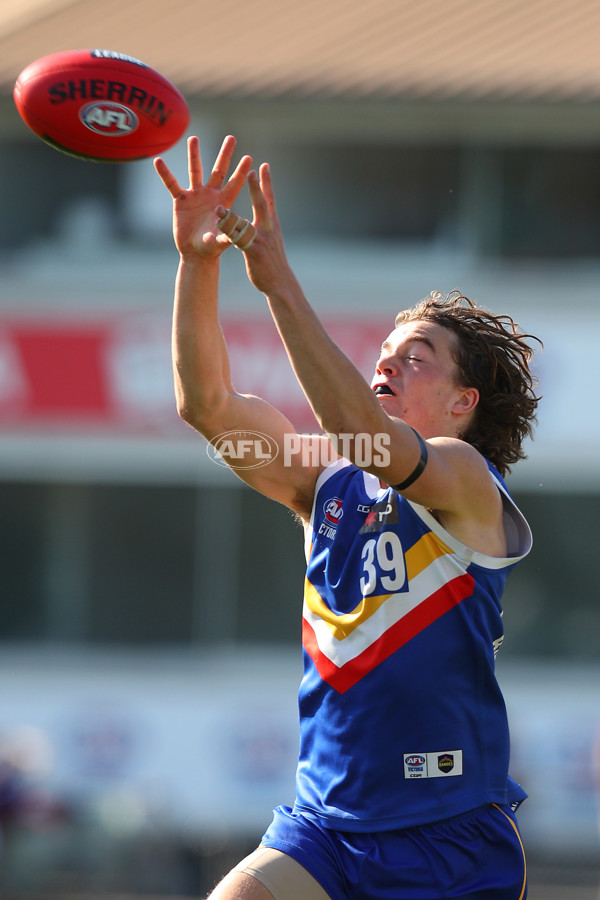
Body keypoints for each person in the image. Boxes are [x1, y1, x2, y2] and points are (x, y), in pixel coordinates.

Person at [154, 135, 541, 900]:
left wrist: (275, 279)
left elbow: (359, 423)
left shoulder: (466, 480)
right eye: (385, 352)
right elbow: (207, 407)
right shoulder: (322, 486)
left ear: (463, 404)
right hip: (323, 827)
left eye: (417, 355)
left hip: (448, 833)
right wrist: (198, 264)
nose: (387, 363)